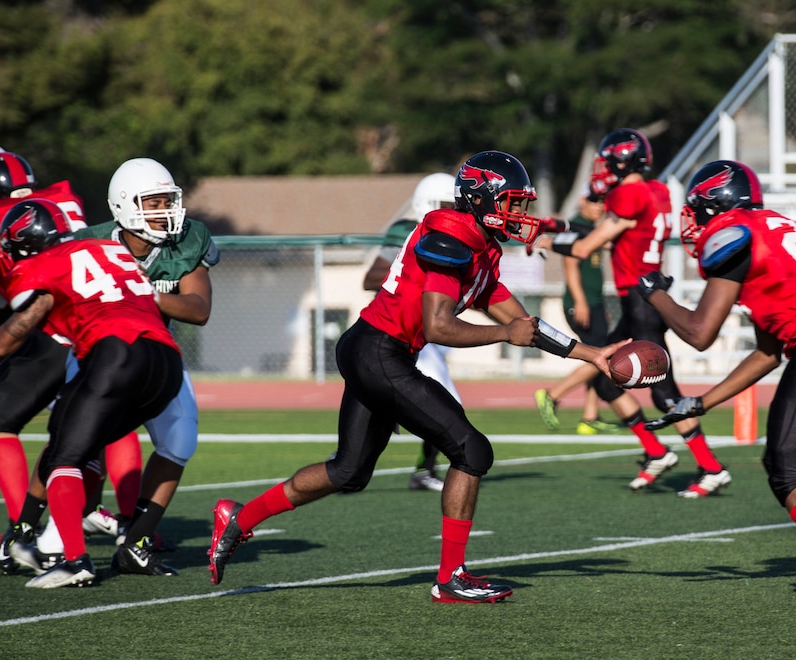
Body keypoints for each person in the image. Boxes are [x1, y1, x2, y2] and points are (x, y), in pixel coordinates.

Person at [208, 150, 624, 603]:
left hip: (375, 349)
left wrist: (593, 355)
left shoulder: (480, 247)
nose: (517, 214)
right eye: (510, 202)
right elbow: (439, 326)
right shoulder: (452, 237)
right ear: (480, 198)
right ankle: (450, 578)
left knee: (348, 472)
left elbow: (523, 321)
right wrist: (504, 333)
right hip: (380, 352)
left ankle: (239, 518)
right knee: (471, 450)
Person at [640, 159, 796, 608]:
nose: (691, 220)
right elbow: (767, 352)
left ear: (713, 204)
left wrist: (655, 293)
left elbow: (700, 334)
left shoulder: (731, 231)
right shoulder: (775, 227)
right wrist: (702, 402)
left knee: (786, 471)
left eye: (696, 209)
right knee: (791, 457)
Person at [0, 198, 183, 588]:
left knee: (63, 454)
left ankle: (74, 559)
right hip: (166, 363)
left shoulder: (39, 264)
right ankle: (27, 532)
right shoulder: (105, 248)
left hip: (116, 352)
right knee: (75, 442)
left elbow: (11, 337)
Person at [535, 128, 729, 495]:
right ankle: (656, 451)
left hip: (642, 299)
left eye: (608, 162)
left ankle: (710, 466)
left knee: (664, 391)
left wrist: (547, 239)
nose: (604, 170)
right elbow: (606, 231)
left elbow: (584, 246)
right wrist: (558, 228)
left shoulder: (628, 194)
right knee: (606, 377)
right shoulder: (656, 190)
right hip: (641, 296)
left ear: (621, 163)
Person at [72, 157, 218, 575]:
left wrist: (141, 293)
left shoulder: (186, 241)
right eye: (154, 203)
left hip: (156, 356)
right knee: (73, 443)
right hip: (96, 359)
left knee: (181, 436)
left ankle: (135, 541)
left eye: (168, 201)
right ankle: (29, 530)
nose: (166, 211)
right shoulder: (89, 245)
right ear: (124, 206)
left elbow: (199, 308)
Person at [0, 150, 109, 573]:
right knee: (103, 421)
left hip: (50, 324)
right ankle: (121, 520)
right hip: (106, 325)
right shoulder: (60, 199)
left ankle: (26, 528)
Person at [362, 172, 460, 491]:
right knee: (444, 402)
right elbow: (371, 277)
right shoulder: (409, 231)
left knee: (437, 402)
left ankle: (423, 468)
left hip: (426, 332)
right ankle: (418, 468)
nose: (455, 210)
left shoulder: (456, 232)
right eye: (448, 204)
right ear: (429, 204)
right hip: (399, 332)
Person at [533, 189, 621, 435]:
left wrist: (598, 305)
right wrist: (581, 301)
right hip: (580, 303)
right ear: (582, 200)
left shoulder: (594, 228)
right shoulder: (577, 226)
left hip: (595, 303)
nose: (599, 206)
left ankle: (589, 417)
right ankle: (551, 395)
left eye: (603, 201)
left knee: (599, 355)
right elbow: (570, 265)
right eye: (594, 200)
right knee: (600, 356)